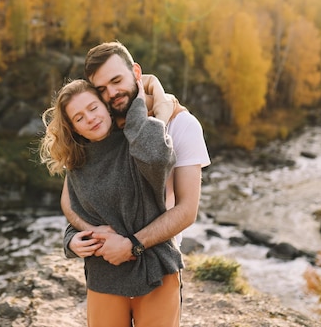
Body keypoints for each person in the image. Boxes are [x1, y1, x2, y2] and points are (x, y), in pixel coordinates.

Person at [62, 41, 211, 326]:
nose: (112, 94)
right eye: (102, 89)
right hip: (106, 273)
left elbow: (187, 211)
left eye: (117, 81)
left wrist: (132, 245)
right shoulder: (102, 127)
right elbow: (70, 199)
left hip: (157, 266)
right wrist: (82, 235)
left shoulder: (182, 125)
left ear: (136, 72)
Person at [40, 74, 182, 327]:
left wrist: (144, 96)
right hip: (103, 276)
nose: (90, 119)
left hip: (154, 270)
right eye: (79, 118)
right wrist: (72, 242)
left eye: (93, 108)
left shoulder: (139, 140)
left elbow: (159, 157)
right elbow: (80, 215)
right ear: (73, 128)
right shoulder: (77, 163)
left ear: (106, 105)